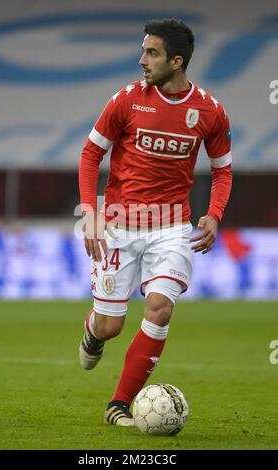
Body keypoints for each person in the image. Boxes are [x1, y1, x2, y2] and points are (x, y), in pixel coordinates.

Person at [78, 18, 232, 426]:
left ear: (176, 61)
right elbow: (90, 155)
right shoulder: (127, 100)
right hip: (119, 225)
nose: (142, 60)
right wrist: (90, 213)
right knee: (111, 326)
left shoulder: (210, 112)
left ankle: (119, 405)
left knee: (160, 310)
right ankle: (93, 332)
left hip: (172, 228)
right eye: (143, 51)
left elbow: (223, 171)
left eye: (152, 53)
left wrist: (214, 215)